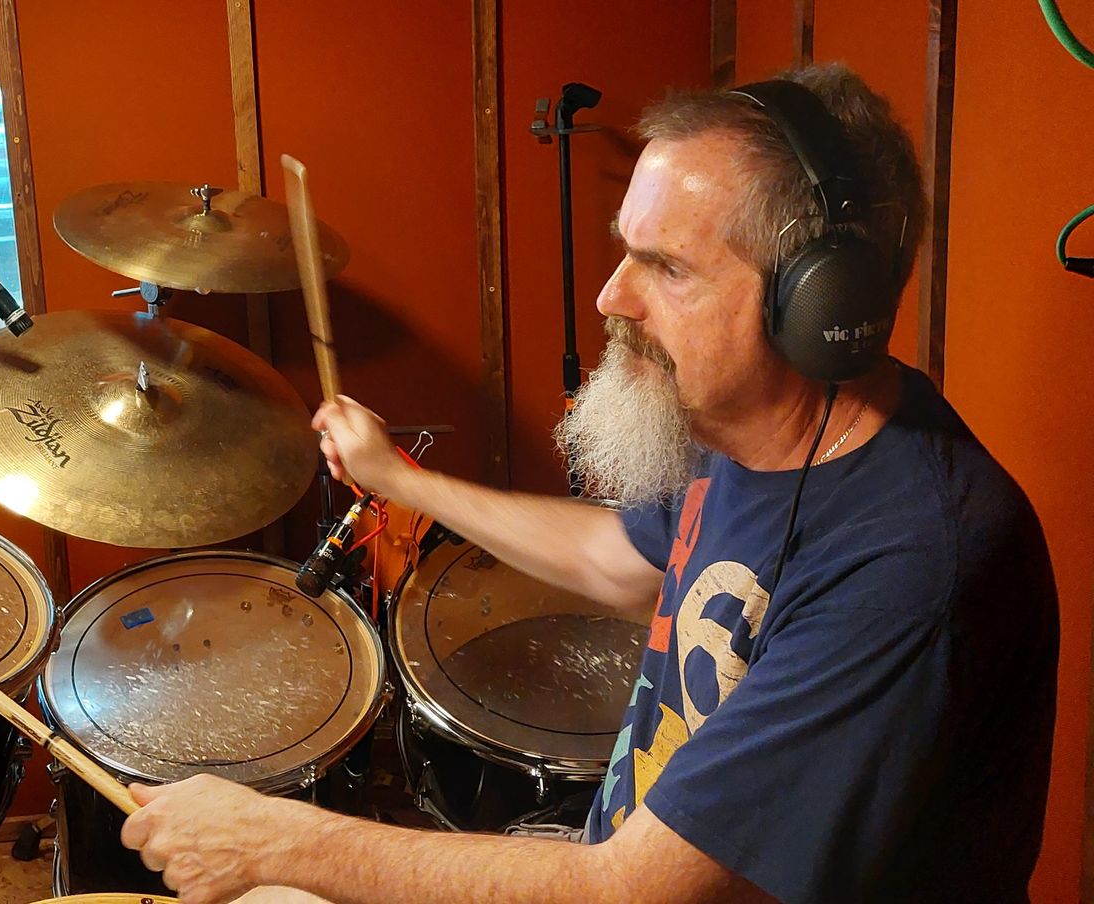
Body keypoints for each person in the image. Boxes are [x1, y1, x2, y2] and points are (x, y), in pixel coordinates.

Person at [120, 64, 1059, 904]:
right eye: (627, 250)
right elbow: (620, 558)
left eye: (667, 267)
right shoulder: (745, 429)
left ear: (818, 306)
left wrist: (278, 842)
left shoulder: (912, 563)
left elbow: (634, 889)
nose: (612, 296)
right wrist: (400, 479)